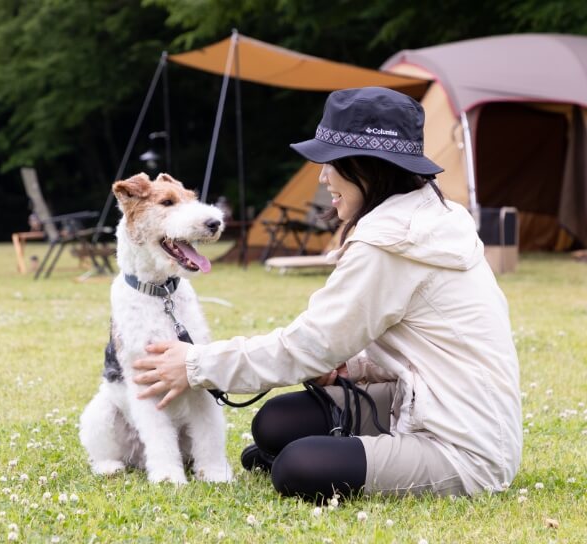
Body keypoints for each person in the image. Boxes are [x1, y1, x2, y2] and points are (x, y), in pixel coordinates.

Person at [132, 87, 522, 501]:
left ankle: (346, 457)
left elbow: (309, 346)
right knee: (275, 424)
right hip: (429, 401)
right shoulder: (431, 216)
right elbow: (426, 344)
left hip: (464, 446)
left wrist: (196, 364)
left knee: (298, 467)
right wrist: (352, 368)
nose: (322, 177)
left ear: (368, 167)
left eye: (331, 163)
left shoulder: (391, 244)